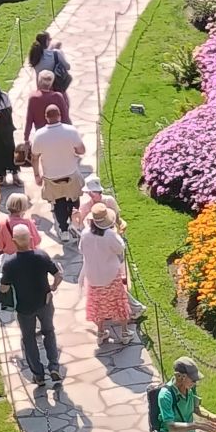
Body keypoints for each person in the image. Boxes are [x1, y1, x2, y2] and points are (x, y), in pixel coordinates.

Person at [3, 224, 62, 387]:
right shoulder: (41, 256)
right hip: (44, 302)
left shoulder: (10, 264)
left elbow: (4, 287)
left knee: (29, 339)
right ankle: (54, 367)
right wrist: (53, 287)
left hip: (24, 308)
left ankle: (39, 374)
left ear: (14, 241)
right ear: (30, 239)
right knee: (49, 332)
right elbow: (58, 275)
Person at [79, 203, 133, 346]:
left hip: (93, 275)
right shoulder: (110, 235)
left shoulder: (85, 234)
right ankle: (124, 332)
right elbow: (120, 248)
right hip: (110, 275)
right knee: (118, 302)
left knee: (97, 304)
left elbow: (81, 250)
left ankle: (101, 332)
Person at [30, 102, 85, 241]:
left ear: (46, 117)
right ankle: (74, 223)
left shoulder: (39, 135)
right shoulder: (70, 130)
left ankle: (64, 229)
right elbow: (81, 150)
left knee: (58, 203)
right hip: (70, 174)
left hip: (51, 177)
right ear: (60, 115)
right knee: (74, 198)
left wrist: (37, 175)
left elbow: (34, 157)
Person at [22, 69, 70, 143]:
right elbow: (65, 117)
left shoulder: (33, 98)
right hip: (58, 135)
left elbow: (29, 120)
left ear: (39, 82)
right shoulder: (58, 96)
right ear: (51, 83)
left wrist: (26, 138)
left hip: (41, 136)